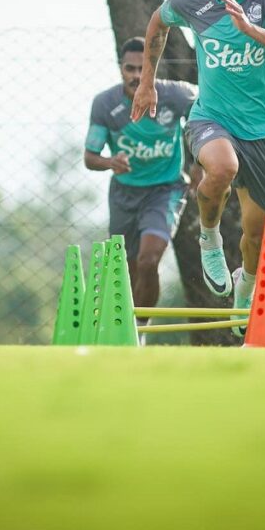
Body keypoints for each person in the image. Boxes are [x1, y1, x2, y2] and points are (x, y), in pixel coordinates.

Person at [131, 0, 265, 336]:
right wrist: (147, 82)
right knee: (221, 168)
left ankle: (245, 286)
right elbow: (158, 21)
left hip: (262, 129)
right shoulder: (193, 0)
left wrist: (250, 30)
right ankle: (209, 240)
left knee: (256, 236)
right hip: (212, 117)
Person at [84, 36, 197, 335]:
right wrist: (111, 162)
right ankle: (124, 331)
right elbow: (89, 157)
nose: (136, 75)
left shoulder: (177, 96)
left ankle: (141, 331)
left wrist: (201, 165)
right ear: (120, 68)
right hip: (124, 193)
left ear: (153, 67)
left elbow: (208, 116)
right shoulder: (105, 105)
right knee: (128, 268)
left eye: (142, 68)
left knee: (149, 261)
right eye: (129, 68)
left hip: (165, 190)